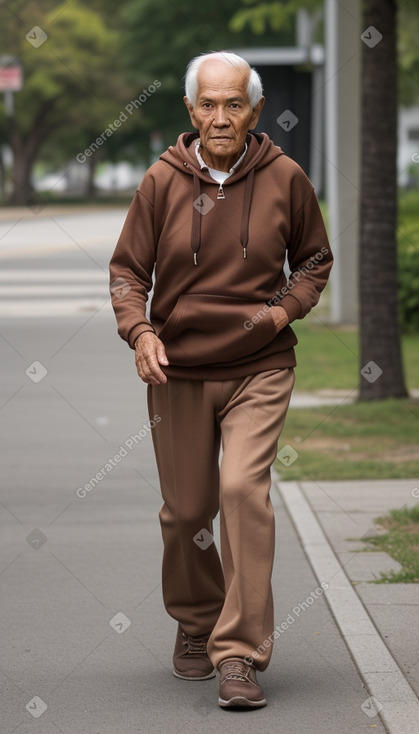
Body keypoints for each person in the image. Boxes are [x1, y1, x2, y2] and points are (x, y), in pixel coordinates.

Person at [109, 50, 333, 709]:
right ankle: (194, 617)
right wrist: (140, 332)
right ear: (189, 110)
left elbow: (313, 261)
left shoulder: (286, 178)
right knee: (186, 513)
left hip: (258, 366)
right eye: (207, 103)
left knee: (241, 491)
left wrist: (278, 315)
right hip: (177, 369)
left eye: (233, 103)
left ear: (256, 110)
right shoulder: (159, 182)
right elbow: (128, 274)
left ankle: (237, 653)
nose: (220, 116)